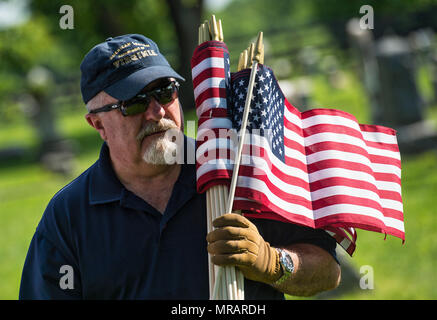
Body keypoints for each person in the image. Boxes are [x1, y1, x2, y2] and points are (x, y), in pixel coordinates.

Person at [19, 34, 341, 300]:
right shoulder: (68, 215)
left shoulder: (235, 169)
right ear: (97, 124)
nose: (157, 112)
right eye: (133, 102)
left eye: (164, 91)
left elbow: (326, 270)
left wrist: (270, 262)